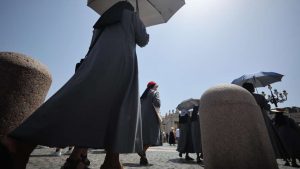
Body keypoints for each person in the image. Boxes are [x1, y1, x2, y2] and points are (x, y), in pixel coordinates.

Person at [0, 1, 149, 169]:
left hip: (96, 60)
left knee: (85, 101)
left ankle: (110, 161)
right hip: (121, 62)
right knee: (118, 105)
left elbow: (92, 44)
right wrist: (140, 22)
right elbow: (143, 40)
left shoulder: (105, 18)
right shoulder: (131, 14)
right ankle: (22, 141)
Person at [242, 82, 289, 164]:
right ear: (252, 88)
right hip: (261, 119)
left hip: (247, 120)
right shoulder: (259, 97)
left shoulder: (241, 97)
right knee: (268, 136)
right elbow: (267, 108)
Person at [137, 81, 162, 165]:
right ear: (153, 86)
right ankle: (142, 151)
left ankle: (143, 159)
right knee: (153, 137)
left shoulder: (143, 96)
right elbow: (157, 103)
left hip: (142, 119)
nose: (157, 88)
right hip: (152, 119)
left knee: (145, 138)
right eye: (156, 86)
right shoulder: (155, 93)